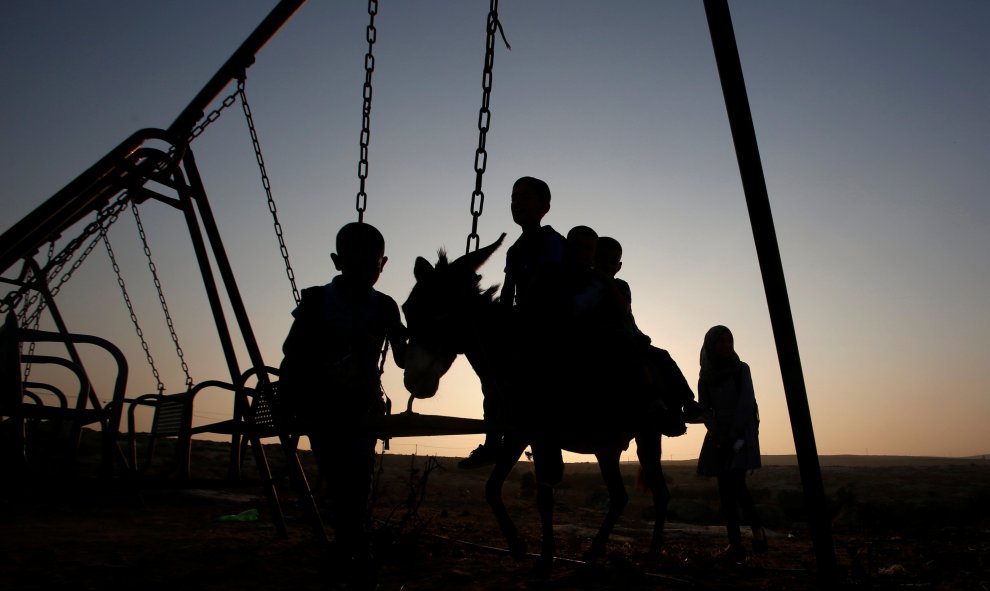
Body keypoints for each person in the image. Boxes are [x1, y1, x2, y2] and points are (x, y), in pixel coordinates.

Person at [279, 221, 408, 587]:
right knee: (340, 478)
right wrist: (290, 400)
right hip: (323, 407)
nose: (366, 274)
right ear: (338, 262)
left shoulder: (385, 306)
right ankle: (355, 549)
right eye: (356, 266)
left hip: (364, 408)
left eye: (373, 267)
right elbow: (293, 353)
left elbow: (402, 357)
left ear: (384, 265)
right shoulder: (318, 300)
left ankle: (351, 548)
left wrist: (424, 344)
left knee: (357, 476)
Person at [458, 176, 566, 469]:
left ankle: (547, 439)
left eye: (525, 197)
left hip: (553, 319)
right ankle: (494, 441)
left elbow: (543, 284)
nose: (517, 203)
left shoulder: (552, 241)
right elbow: (509, 289)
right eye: (513, 197)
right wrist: (501, 318)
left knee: (536, 370)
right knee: (491, 367)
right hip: (524, 318)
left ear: (545, 206)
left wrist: (518, 316)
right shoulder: (515, 249)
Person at [695, 325, 767, 563]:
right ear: (711, 344)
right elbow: (705, 407)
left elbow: (747, 403)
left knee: (736, 485)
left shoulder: (741, 369)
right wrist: (716, 433)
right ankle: (736, 544)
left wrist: (733, 434)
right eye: (721, 341)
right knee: (726, 491)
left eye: (730, 340)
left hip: (740, 434)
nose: (726, 345)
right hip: (719, 437)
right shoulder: (705, 375)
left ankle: (756, 533)